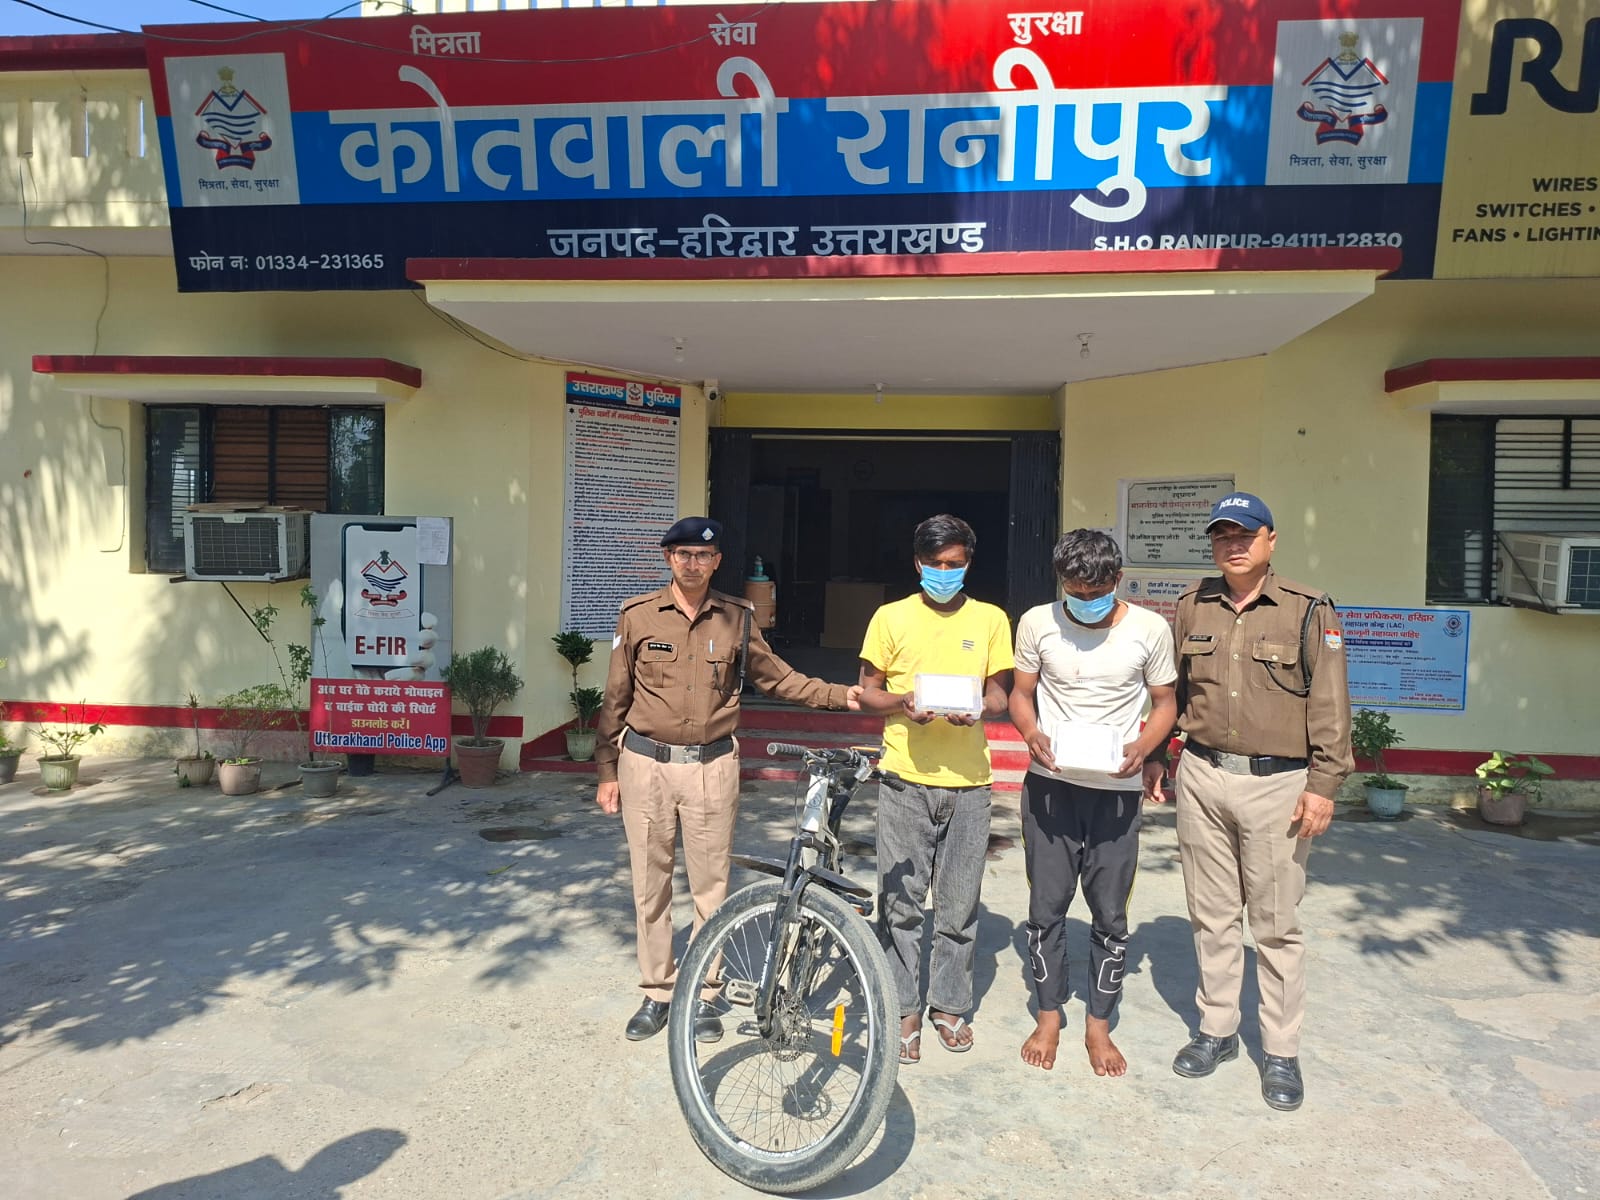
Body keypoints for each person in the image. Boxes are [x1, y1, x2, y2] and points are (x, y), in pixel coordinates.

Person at [594, 517, 861, 1042]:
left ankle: (704, 991)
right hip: (645, 765)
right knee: (650, 885)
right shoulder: (638, 615)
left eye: (703, 556)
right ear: (668, 558)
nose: (693, 564)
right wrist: (607, 771)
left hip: (711, 767)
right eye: (683, 554)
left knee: (710, 887)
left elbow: (778, 678)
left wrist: (839, 695)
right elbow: (615, 697)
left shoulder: (737, 617)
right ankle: (658, 990)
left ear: (716, 562)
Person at [1158, 491, 1352, 1112]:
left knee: (1275, 925)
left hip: (1280, 786)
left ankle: (1281, 1050)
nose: (1233, 545)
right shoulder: (1193, 604)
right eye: (1223, 536)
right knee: (1212, 915)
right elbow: (1174, 692)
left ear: (1271, 539)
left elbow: (1331, 704)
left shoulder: (1308, 608)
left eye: (1245, 534)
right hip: (1203, 775)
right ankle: (1216, 1030)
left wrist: (1323, 786)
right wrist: (1161, 757)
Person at [1009, 530, 1177, 1076]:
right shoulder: (1037, 622)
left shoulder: (1149, 629)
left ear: (1117, 580)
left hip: (1117, 794)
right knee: (1045, 908)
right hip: (1050, 787)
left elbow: (1165, 703)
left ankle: (1098, 1024)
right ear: (1060, 581)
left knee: (1109, 912)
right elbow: (1020, 693)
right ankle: (1049, 1015)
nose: (1086, 601)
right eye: (1075, 592)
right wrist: (1030, 732)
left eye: (1097, 591)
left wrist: (1145, 749)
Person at [855, 514, 1013, 1064]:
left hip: (970, 783)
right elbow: (867, 691)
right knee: (899, 902)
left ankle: (949, 1005)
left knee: (958, 905)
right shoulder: (890, 617)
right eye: (936, 564)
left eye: (955, 564)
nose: (946, 572)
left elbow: (1000, 696)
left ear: (969, 563)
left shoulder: (991, 619)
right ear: (918, 563)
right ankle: (904, 1007)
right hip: (904, 777)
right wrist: (903, 704)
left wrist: (979, 708)